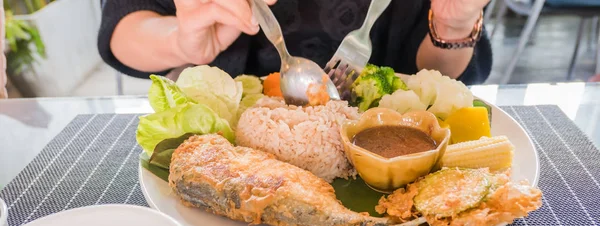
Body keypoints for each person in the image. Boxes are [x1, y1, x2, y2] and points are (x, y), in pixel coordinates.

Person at [98, 0, 492, 85]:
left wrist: (452, 25)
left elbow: (440, 74)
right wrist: (182, 43)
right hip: (221, 153)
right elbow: (125, 27)